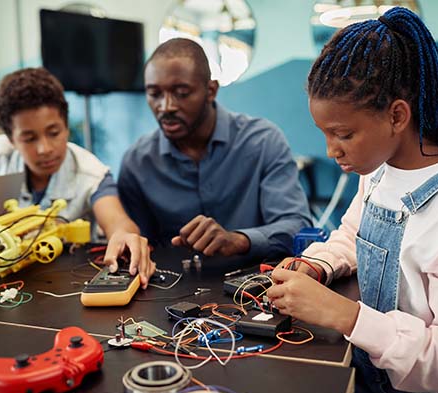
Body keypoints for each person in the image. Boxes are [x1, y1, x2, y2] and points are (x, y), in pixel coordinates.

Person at [266, 7, 438, 393]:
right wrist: (317, 264)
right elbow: (354, 235)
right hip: (371, 372)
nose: (331, 151)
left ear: (397, 116)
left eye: (343, 134)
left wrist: (345, 315)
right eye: (325, 134)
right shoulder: (379, 170)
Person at [111, 38, 312, 260]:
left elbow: (298, 226)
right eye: (154, 94)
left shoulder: (262, 142)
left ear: (211, 90)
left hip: (257, 286)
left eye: (181, 92)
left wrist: (239, 240)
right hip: (170, 289)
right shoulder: (137, 162)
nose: (166, 106)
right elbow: (137, 244)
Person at [0, 67, 155, 287]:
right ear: (11, 139)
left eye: (53, 133)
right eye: (29, 138)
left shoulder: (91, 173)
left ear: (66, 127)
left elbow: (118, 221)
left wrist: (125, 236)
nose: (44, 148)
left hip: (65, 286)